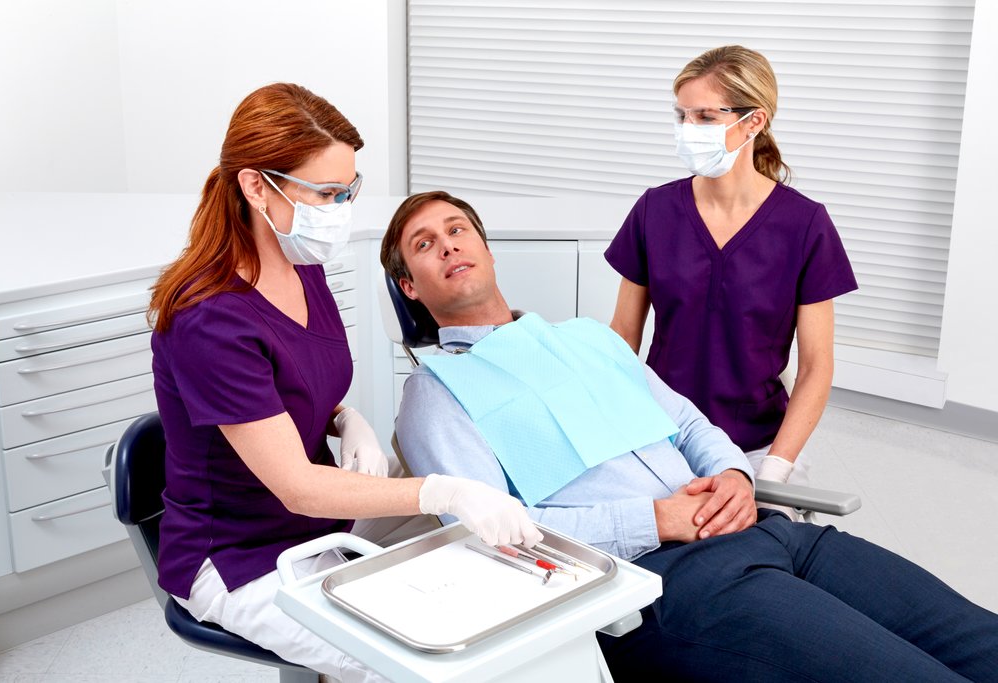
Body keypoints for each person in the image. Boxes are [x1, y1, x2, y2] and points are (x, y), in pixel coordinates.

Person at [382, 190, 998, 682]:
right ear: (410, 286)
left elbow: (687, 422)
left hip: (764, 528)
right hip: (669, 582)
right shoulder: (436, 393)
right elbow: (499, 537)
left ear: (486, 249)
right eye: (424, 244)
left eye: (457, 228)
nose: (448, 245)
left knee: (979, 642)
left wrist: (734, 475)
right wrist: (656, 521)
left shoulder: (585, 338)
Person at [148, 84, 541, 682]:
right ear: (257, 186)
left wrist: (342, 417)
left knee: (484, 574)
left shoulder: (302, 268)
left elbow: (300, 385)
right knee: (415, 664)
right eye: (326, 194)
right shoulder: (211, 318)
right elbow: (300, 488)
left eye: (347, 190)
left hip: (321, 521)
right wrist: (444, 492)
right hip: (240, 555)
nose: (339, 210)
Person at [606, 45, 857, 498]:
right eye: (682, 116)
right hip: (661, 433)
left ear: (754, 121)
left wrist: (774, 471)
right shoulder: (655, 211)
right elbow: (623, 335)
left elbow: (816, 367)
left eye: (704, 117)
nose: (687, 130)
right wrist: (614, 428)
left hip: (758, 446)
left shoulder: (804, 225)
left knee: (760, 551)